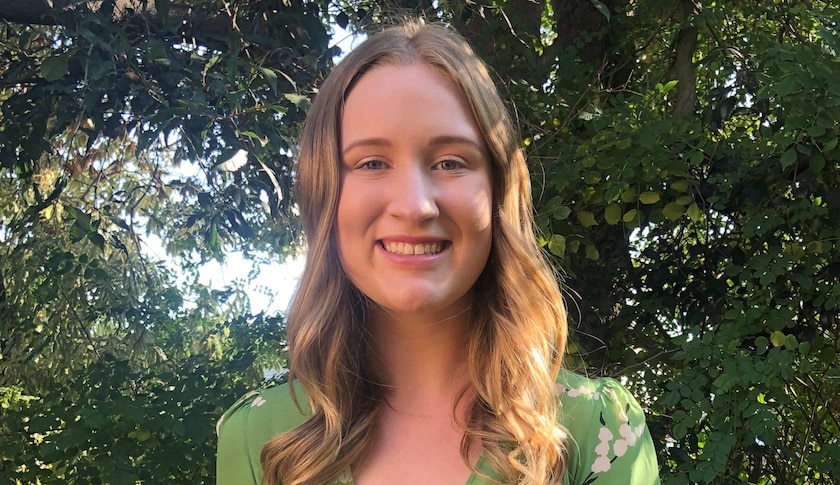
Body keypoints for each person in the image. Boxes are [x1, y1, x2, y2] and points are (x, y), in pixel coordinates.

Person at [216, 20, 660, 485]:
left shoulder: (595, 432)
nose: (413, 205)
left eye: (451, 162)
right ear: (324, 194)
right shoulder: (261, 440)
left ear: (497, 191)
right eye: (372, 163)